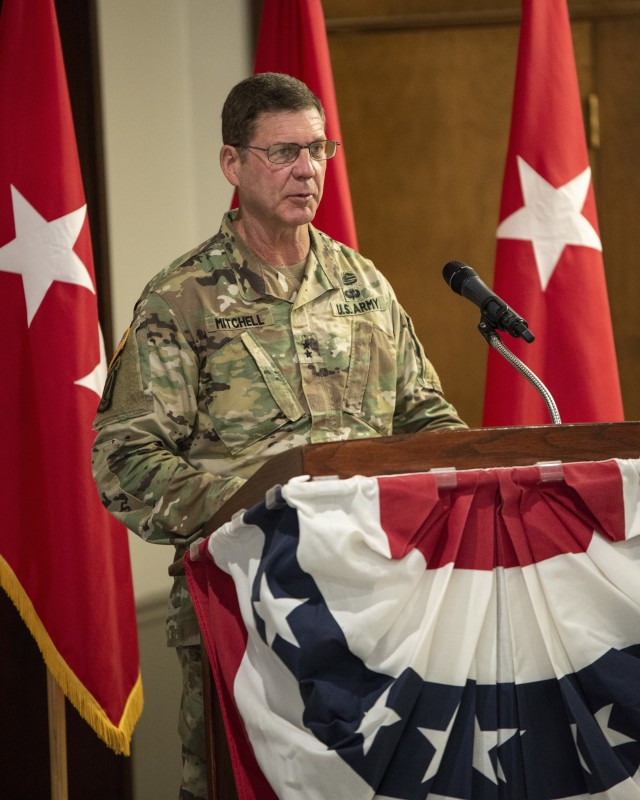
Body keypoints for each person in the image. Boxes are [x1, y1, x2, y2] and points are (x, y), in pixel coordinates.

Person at [92, 72, 466, 800]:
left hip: (376, 606)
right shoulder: (183, 301)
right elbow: (125, 461)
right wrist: (262, 509)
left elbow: (426, 421)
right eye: (283, 152)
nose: (307, 169)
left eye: (319, 149)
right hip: (244, 611)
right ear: (232, 165)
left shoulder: (363, 286)